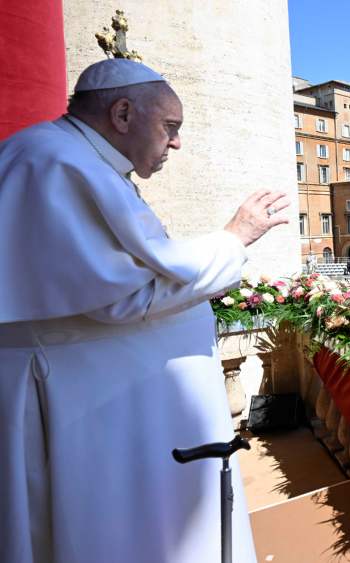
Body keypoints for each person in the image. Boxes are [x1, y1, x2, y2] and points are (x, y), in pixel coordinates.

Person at [0, 59, 284, 563]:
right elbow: (124, 296)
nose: (177, 143)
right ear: (123, 114)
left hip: (98, 396)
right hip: (77, 402)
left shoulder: (70, 158)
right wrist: (234, 238)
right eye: (170, 126)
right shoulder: (57, 163)